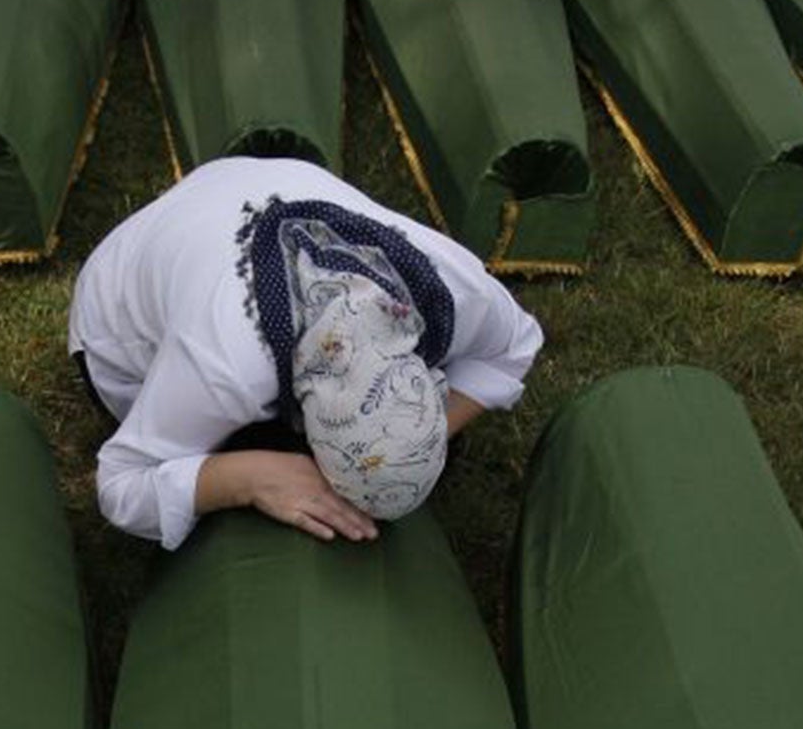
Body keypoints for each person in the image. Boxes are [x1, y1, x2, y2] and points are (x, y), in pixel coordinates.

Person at [69, 156, 544, 549]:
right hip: (121, 323)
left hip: (240, 189)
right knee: (260, 485)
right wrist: (249, 478)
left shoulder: (458, 291)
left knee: (386, 463)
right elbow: (121, 484)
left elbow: (517, 344)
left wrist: (428, 436)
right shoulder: (226, 368)